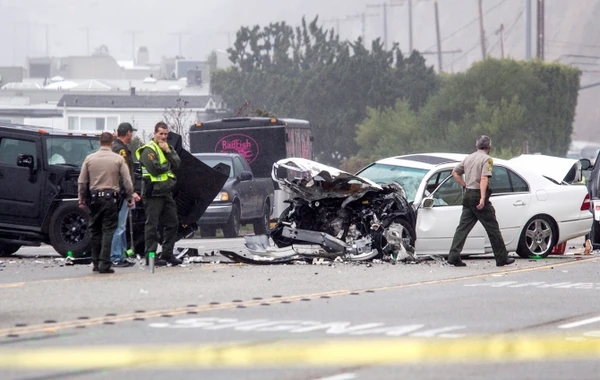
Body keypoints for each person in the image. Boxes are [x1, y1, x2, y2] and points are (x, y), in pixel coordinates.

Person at [447, 135, 515, 267]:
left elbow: (455, 172)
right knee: (492, 227)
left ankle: (454, 255)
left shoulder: (468, 158)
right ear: (489, 147)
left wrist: (464, 184)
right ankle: (501, 257)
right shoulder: (487, 160)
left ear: (476, 145)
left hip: (468, 195)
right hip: (478, 194)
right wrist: (483, 198)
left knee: (463, 227)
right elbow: (484, 179)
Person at [78, 132, 134, 274]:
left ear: (99, 143)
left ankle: (96, 263)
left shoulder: (89, 159)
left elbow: (82, 181)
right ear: (112, 143)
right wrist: (129, 197)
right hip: (111, 199)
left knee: (95, 230)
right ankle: (105, 263)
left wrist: (82, 199)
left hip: (95, 198)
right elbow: (127, 181)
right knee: (108, 230)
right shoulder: (118, 159)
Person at [135, 121, 183, 266]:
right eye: (160, 134)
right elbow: (155, 169)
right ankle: (151, 255)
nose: (163, 137)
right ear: (154, 134)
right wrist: (168, 164)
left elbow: (178, 163)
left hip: (165, 192)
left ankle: (167, 254)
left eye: (165, 134)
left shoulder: (167, 148)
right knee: (152, 226)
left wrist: (168, 152)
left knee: (173, 223)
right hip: (153, 193)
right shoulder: (148, 150)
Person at [110, 122, 141, 267]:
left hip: (115, 193)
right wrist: (130, 193)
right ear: (128, 133)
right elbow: (124, 174)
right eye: (131, 133)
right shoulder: (121, 150)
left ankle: (121, 254)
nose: (132, 135)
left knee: (120, 225)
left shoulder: (113, 146)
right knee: (120, 226)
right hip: (121, 193)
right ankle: (116, 256)